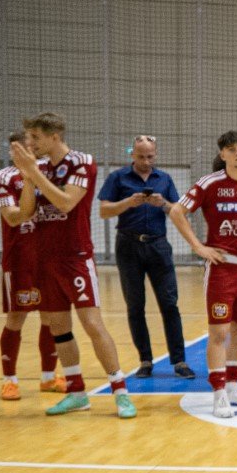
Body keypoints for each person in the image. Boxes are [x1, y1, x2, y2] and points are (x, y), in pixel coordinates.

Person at [11, 113, 136, 418]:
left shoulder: (82, 162)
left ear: (54, 137)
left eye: (36, 138)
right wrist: (28, 177)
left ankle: (120, 391)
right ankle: (77, 391)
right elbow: (26, 212)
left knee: (92, 324)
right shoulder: (36, 168)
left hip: (75, 258)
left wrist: (34, 173)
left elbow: (67, 202)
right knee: (59, 328)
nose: (31, 143)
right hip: (44, 259)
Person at [170, 131, 237, 419]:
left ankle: (233, 386)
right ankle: (218, 392)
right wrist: (198, 247)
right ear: (223, 155)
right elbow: (177, 211)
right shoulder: (210, 183)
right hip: (222, 268)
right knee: (219, 331)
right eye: (231, 150)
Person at [97, 134, 193, 380]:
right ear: (132, 155)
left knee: (169, 303)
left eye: (150, 156)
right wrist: (128, 202)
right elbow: (104, 211)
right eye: (140, 156)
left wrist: (163, 204)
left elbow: (178, 211)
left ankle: (179, 361)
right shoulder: (118, 177)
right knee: (135, 305)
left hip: (158, 246)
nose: (145, 161)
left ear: (156, 155)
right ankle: (145, 360)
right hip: (128, 245)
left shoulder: (165, 179)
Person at [0, 130, 65, 401]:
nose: (27, 152)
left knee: (51, 318)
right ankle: (9, 380)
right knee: (16, 318)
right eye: (20, 149)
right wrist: (27, 179)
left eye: (31, 147)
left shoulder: (50, 172)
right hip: (20, 258)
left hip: (49, 258)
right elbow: (13, 218)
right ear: (13, 152)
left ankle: (48, 377)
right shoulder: (2, 177)